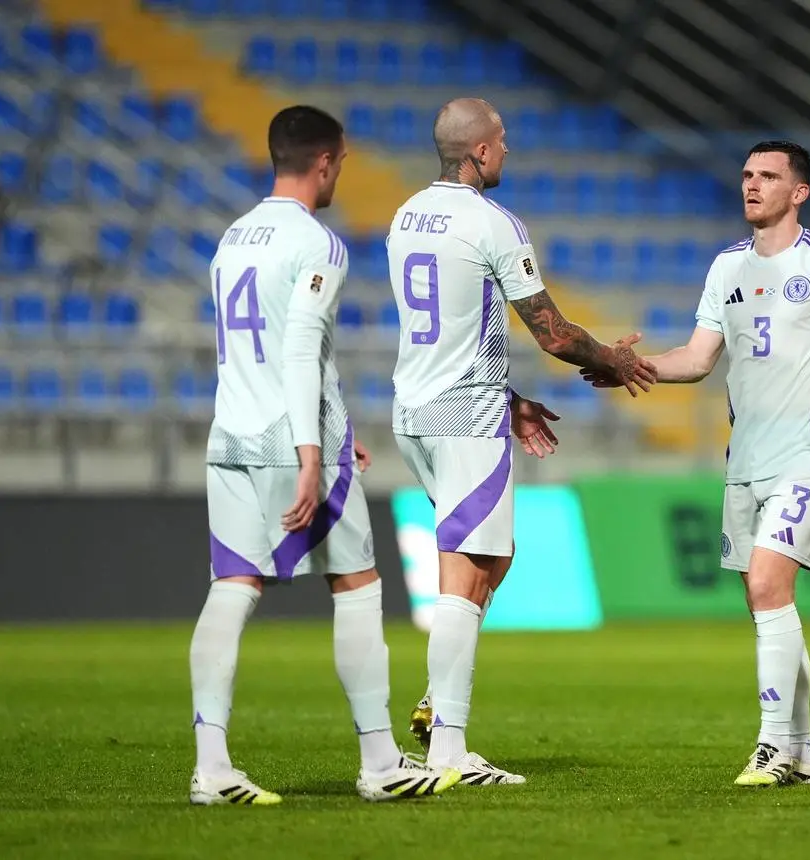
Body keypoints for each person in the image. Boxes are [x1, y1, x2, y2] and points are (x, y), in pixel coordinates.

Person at [584, 140, 810, 786]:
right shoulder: (726, 268)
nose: (752, 185)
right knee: (769, 607)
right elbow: (700, 358)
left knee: (768, 587)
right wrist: (629, 363)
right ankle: (805, 751)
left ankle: (772, 747)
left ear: (800, 193)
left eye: (768, 176)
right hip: (745, 462)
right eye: (746, 175)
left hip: (809, 456)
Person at [190, 105, 461, 805]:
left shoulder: (232, 237)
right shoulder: (318, 243)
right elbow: (300, 348)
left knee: (232, 588)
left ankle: (211, 766)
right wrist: (314, 453)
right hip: (295, 442)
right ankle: (380, 763)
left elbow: (259, 347)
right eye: (340, 161)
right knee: (358, 585)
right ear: (325, 162)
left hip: (230, 438)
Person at [387, 97, 656, 786]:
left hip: (415, 408)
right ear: (478, 152)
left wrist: (509, 399)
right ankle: (447, 744)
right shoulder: (493, 224)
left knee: (489, 563)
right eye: (501, 141)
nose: (506, 151)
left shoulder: (406, 214)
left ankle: (440, 703)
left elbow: (448, 329)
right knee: (467, 571)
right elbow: (556, 334)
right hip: (463, 416)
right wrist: (616, 361)